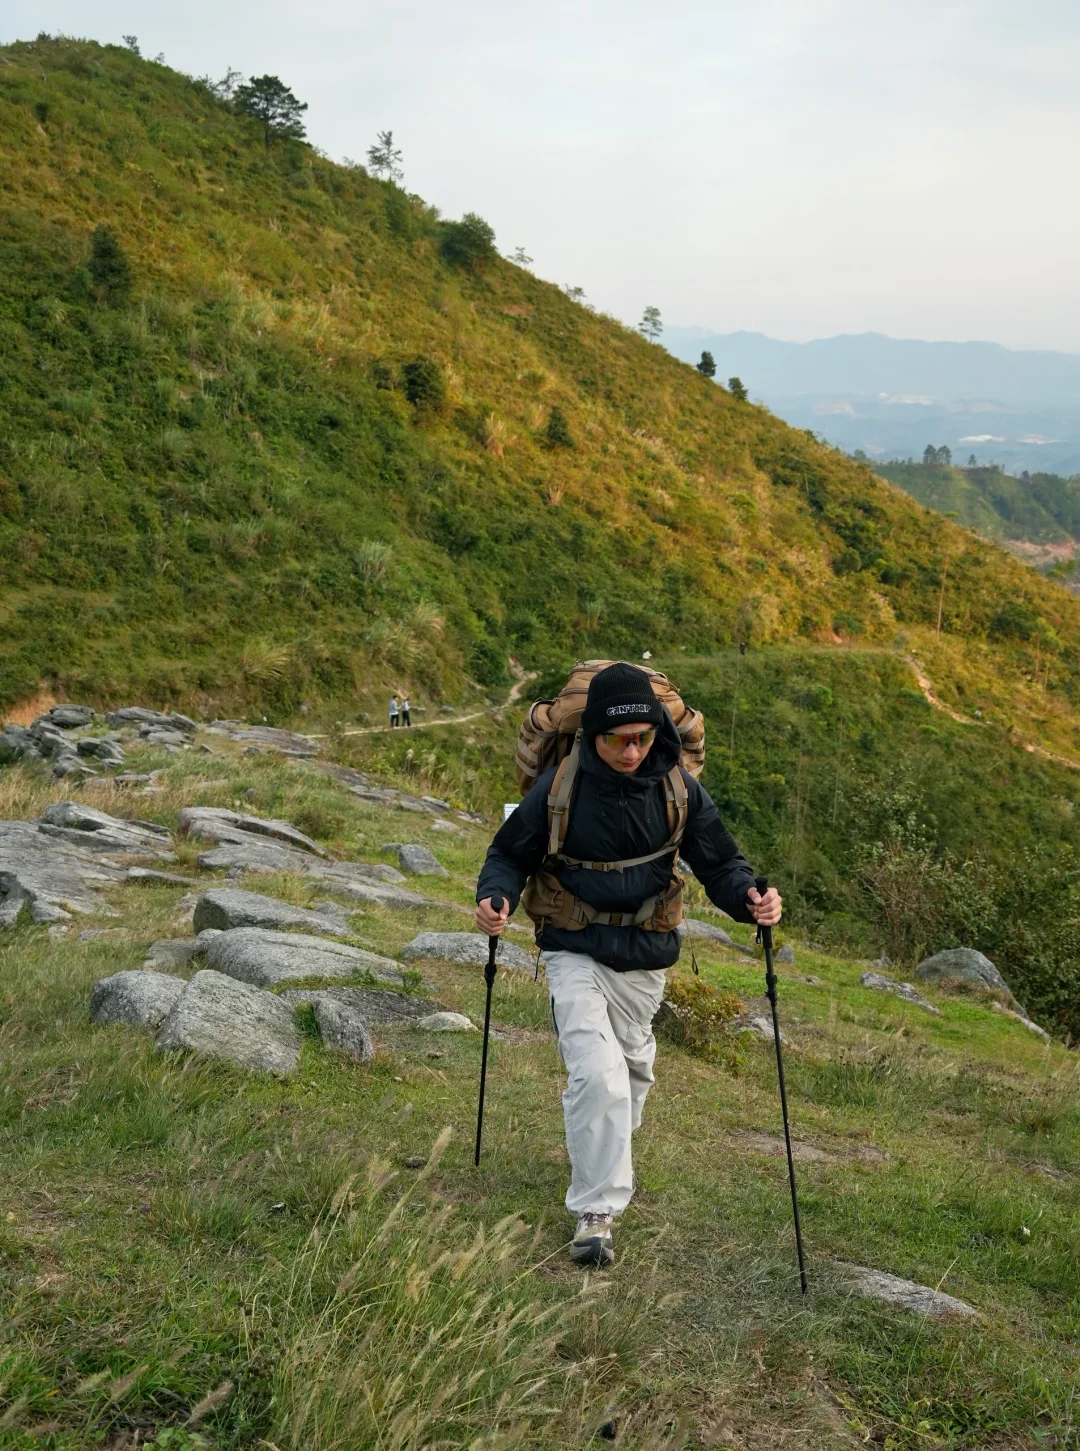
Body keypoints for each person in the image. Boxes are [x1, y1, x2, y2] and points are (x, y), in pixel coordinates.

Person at [475, 661, 781, 1268]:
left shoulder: (679, 789)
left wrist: (752, 900)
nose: (632, 750)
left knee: (632, 1073)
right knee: (599, 1077)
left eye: (642, 737)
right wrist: (496, 896)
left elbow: (721, 864)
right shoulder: (559, 786)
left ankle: (601, 1151)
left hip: (645, 957)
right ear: (592, 736)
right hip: (572, 947)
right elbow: (508, 853)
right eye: (618, 739)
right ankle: (596, 1215)